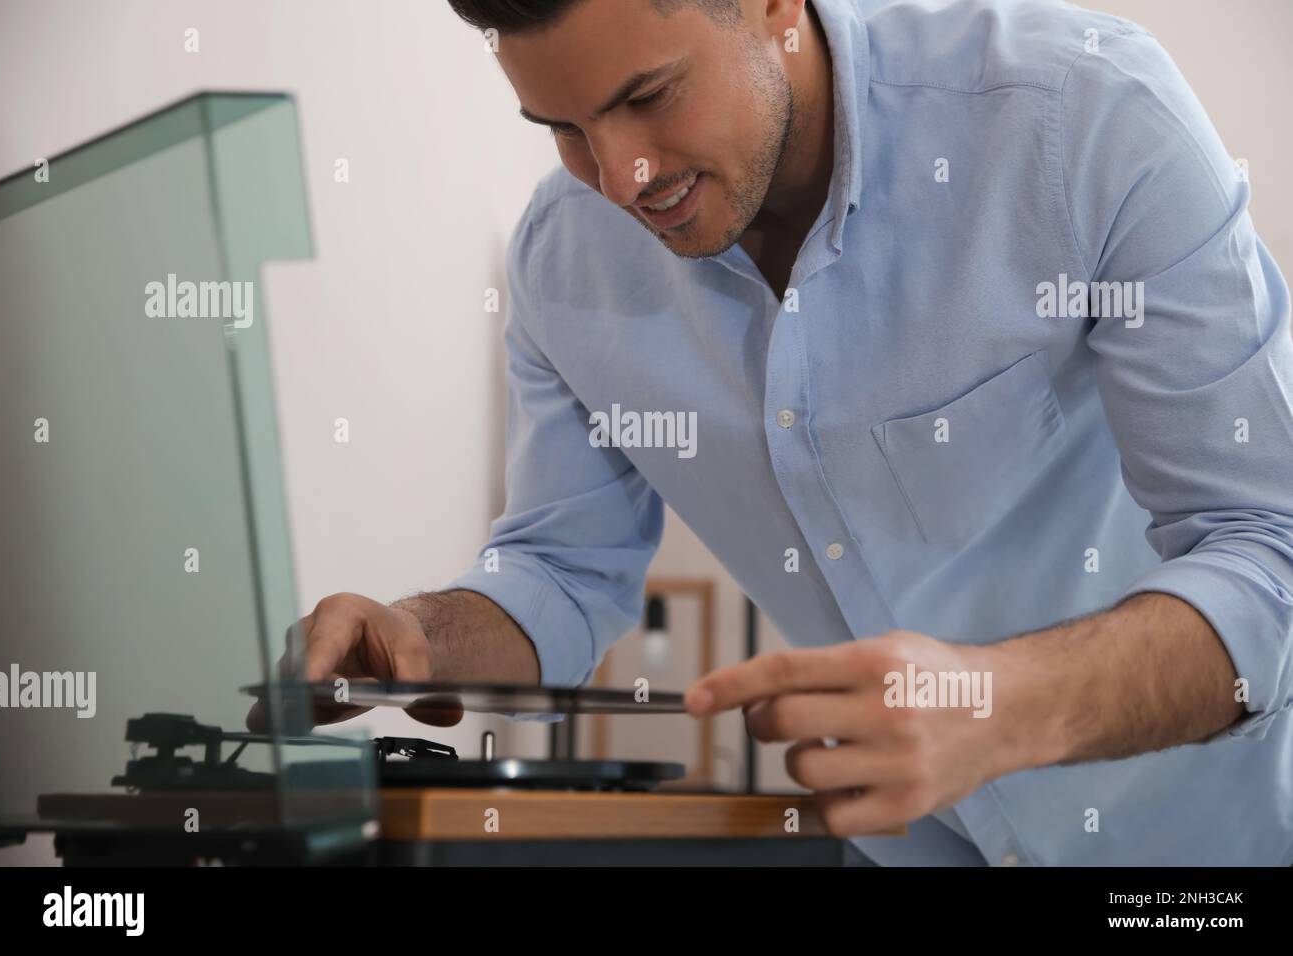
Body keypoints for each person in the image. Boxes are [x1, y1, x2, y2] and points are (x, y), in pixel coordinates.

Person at [263, 0, 1293, 865]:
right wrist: (419, 636)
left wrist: (996, 706)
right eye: (564, 127)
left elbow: (1269, 553)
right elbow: (560, 571)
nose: (622, 176)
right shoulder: (562, 264)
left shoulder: (1087, 119)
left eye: (646, 97)